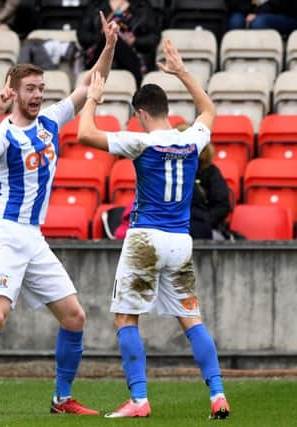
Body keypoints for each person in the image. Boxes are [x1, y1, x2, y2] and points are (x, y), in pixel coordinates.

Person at [0, 11, 118, 417]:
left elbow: (89, 85)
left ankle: (62, 398)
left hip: (34, 236)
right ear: (12, 92)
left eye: (41, 88)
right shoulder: (4, 132)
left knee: (75, 316)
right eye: (30, 89)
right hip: (3, 233)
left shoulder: (50, 121)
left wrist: (110, 45)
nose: (38, 95)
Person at [77, 39, 231, 419]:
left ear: (142, 113)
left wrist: (93, 97)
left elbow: (84, 134)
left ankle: (140, 400)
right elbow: (209, 109)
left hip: (145, 238)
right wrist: (181, 72)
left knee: (126, 318)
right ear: (167, 110)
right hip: (181, 240)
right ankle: (217, 395)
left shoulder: (140, 142)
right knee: (191, 319)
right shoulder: (191, 142)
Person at [77, 0, 160, 87]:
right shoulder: (96, 5)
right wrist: (103, 37)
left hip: (132, 55)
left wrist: (135, 40)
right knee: (111, 40)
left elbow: (154, 38)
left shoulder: (142, 5)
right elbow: (82, 36)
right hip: (100, 52)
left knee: (116, 41)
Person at [190, 144, 231, 240]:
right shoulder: (168, 172)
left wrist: (203, 222)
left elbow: (221, 207)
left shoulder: (211, 173)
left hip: (203, 228)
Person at [226, 0, 297, 34]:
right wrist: (248, 11)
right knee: (235, 22)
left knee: (259, 23)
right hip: (247, 11)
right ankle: (237, 59)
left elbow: (281, 3)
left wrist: (257, 12)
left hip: (281, 13)